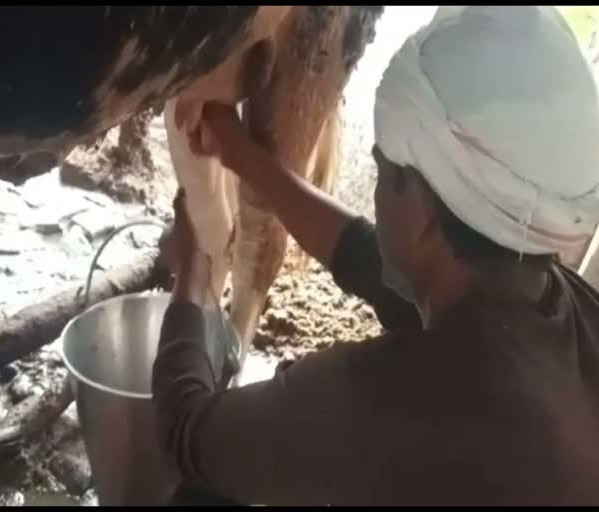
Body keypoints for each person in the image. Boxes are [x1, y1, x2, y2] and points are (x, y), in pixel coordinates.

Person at [152, 5, 599, 506]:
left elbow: (184, 432)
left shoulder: (395, 405)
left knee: (204, 495)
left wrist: (195, 267)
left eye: (383, 174)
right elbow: (364, 254)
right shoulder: (558, 307)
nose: (374, 197)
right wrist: (241, 154)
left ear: (424, 209)